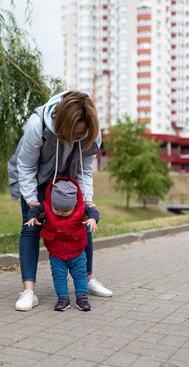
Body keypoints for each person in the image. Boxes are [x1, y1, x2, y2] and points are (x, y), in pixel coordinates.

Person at [8, 91, 113, 312]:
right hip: (34, 178)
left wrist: (88, 201)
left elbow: (84, 168)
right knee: (30, 227)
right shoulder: (38, 125)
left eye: (81, 133)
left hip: (68, 180)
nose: (77, 137)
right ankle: (28, 291)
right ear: (62, 123)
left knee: (81, 223)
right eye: (73, 133)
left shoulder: (91, 131)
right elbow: (25, 165)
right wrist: (31, 200)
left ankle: (88, 279)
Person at [24, 177, 99, 311]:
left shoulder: (80, 207)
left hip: (77, 252)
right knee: (58, 276)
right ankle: (63, 298)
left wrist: (93, 219)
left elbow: (93, 211)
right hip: (56, 253)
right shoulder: (47, 206)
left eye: (65, 211)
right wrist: (32, 217)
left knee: (80, 274)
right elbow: (35, 210)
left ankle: (82, 297)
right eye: (56, 209)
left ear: (74, 204)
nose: (60, 213)